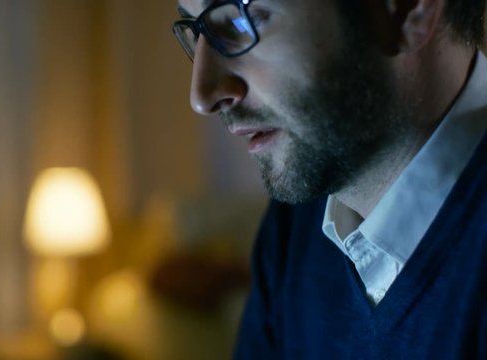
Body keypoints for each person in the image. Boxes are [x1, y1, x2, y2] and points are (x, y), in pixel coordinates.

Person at [172, 0, 487, 358]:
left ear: (407, 10)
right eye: (196, 30)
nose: (202, 95)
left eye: (244, 20)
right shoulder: (294, 226)